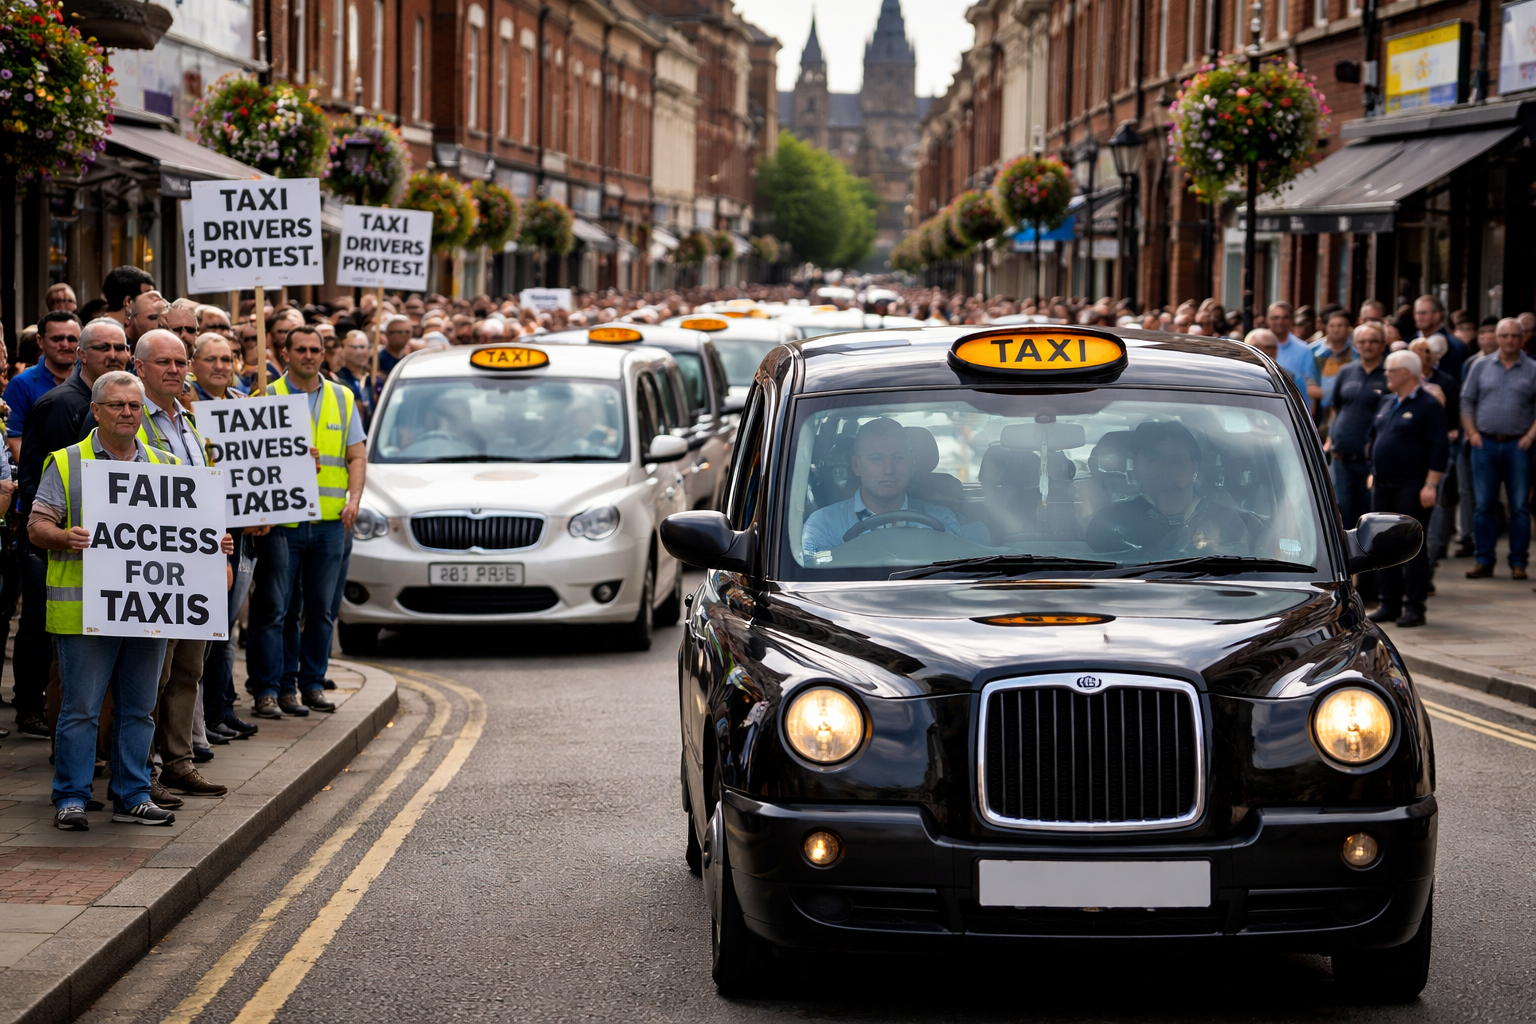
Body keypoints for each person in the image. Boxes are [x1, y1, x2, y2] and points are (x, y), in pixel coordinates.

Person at [32, 370, 180, 829]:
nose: (127, 413)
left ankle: (132, 794)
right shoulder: (67, 462)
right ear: (95, 410)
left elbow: (183, 534)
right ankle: (71, 798)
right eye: (116, 405)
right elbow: (37, 526)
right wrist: (64, 536)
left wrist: (213, 546)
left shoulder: (166, 466)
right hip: (85, 613)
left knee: (139, 709)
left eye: (134, 406)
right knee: (81, 710)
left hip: (147, 608)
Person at [8, 319, 131, 739]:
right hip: (66, 555)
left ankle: (97, 746)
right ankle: (55, 731)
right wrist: (61, 534)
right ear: (82, 354)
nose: (114, 354)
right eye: (103, 347)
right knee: (61, 656)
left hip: (111, 560)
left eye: (121, 346)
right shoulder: (63, 404)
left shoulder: (131, 404)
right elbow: (59, 483)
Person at [132, 330, 234, 798]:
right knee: (156, 671)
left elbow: (207, 491)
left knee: (189, 668)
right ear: (141, 368)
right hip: (157, 567)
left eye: (180, 361)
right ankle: (143, 770)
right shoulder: (131, 419)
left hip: (199, 563)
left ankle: (178, 762)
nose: (175, 369)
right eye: (163, 362)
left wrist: (222, 544)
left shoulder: (190, 421)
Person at [246, 325, 366, 718]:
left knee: (319, 610)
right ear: (286, 352)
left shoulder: (342, 397)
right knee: (275, 607)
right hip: (282, 521)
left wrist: (356, 499)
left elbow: (357, 456)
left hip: (330, 522)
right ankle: (270, 689)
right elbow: (249, 461)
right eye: (301, 349)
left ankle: (310, 684)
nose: (310, 355)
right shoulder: (265, 395)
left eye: (316, 349)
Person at [801, 417, 975, 555]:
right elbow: (808, 580)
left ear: (911, 465)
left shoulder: (940, 520)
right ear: (856, 466)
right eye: (877, 458)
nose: (889, 469)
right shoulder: (824, 524)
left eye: (898, 458)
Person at [1365, 350, 1448, 627]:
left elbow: (1439, 446)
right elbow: (1374, 437)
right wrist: (1372, 470)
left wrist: (1431, 484)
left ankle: (1415, 607)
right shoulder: (1388, 402)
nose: (1386, 375)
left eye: (1391, 370)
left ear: (1407, 373)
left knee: (1412, 547)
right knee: (1383, 545)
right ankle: (1389, 603)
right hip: (1383, 483)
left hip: (1412, 486)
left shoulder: (1429, 405)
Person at [1086, 420, 1253, 553]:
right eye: (1152, 458)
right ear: (1136, 468)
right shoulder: (1110, 523)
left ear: (1194, 466)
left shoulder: (1226, 520)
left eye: (1176, 459)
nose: (1164, 468)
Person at [1460, 317, 1536, 579]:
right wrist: (1471, 433)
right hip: (1485, 444)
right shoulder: (1480, 366)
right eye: (1505, 336)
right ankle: (1484, 560)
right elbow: (1467, 400)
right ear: (1497, 338)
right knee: (1484, 505)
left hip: (1519, 444)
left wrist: (1530, 435)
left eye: (1515, 336)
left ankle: (1518, 563)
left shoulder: (1532, 368)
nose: (1510, 340)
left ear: (1522, 338)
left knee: (1519, 507)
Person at [1326, 323, 1389, 535]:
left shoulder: (1390, 373)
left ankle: (1372, 568)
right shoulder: (1346, 372)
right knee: (1343, 512)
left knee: (1373, 516)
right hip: (1342, 458)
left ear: (1383, 345)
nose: (1367, 345)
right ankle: (1348, 567)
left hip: (1373, 461)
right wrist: (1331, 438)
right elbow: (1335, 408)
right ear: (1355, 345)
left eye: (1373, 341)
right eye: (1362, 341)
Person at [5, 311, 79, 463]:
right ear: (40, 341)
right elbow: (13, 439)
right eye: (57, 338)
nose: (65, 345)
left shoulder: (94, 380)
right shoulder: (21, 384)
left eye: (72, 339)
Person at [1266, 301, 1323, 413]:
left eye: (1285, 317)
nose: (1280, 322)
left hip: (1292, 413)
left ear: (1291, 320)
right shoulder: (1255, 344)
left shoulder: (1304, 349)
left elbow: (1311, 386)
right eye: (1275, 317)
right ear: (1268, 320)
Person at [1311, 310, 1357, 418]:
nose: (1336, 329)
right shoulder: (1314, 352)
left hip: (1349, 408)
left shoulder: (1357, 353)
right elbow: (1310, 384)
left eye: (1340, 326)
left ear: (1348, 328)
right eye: (1332, 326)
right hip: (1320, 410)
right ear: (1326, 328)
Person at [1413, 294, 1466, 381]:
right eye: (1416, 313)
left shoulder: (1454, 345)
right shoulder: (1412, 340)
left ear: (1437, 315)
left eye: (1423, 313)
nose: (1418, 317)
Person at [334, 330, 376, 427]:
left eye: (362, 347)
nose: (360, 352)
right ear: (343, 349)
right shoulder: (337, 379)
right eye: (355, 347)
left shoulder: (373, 379)